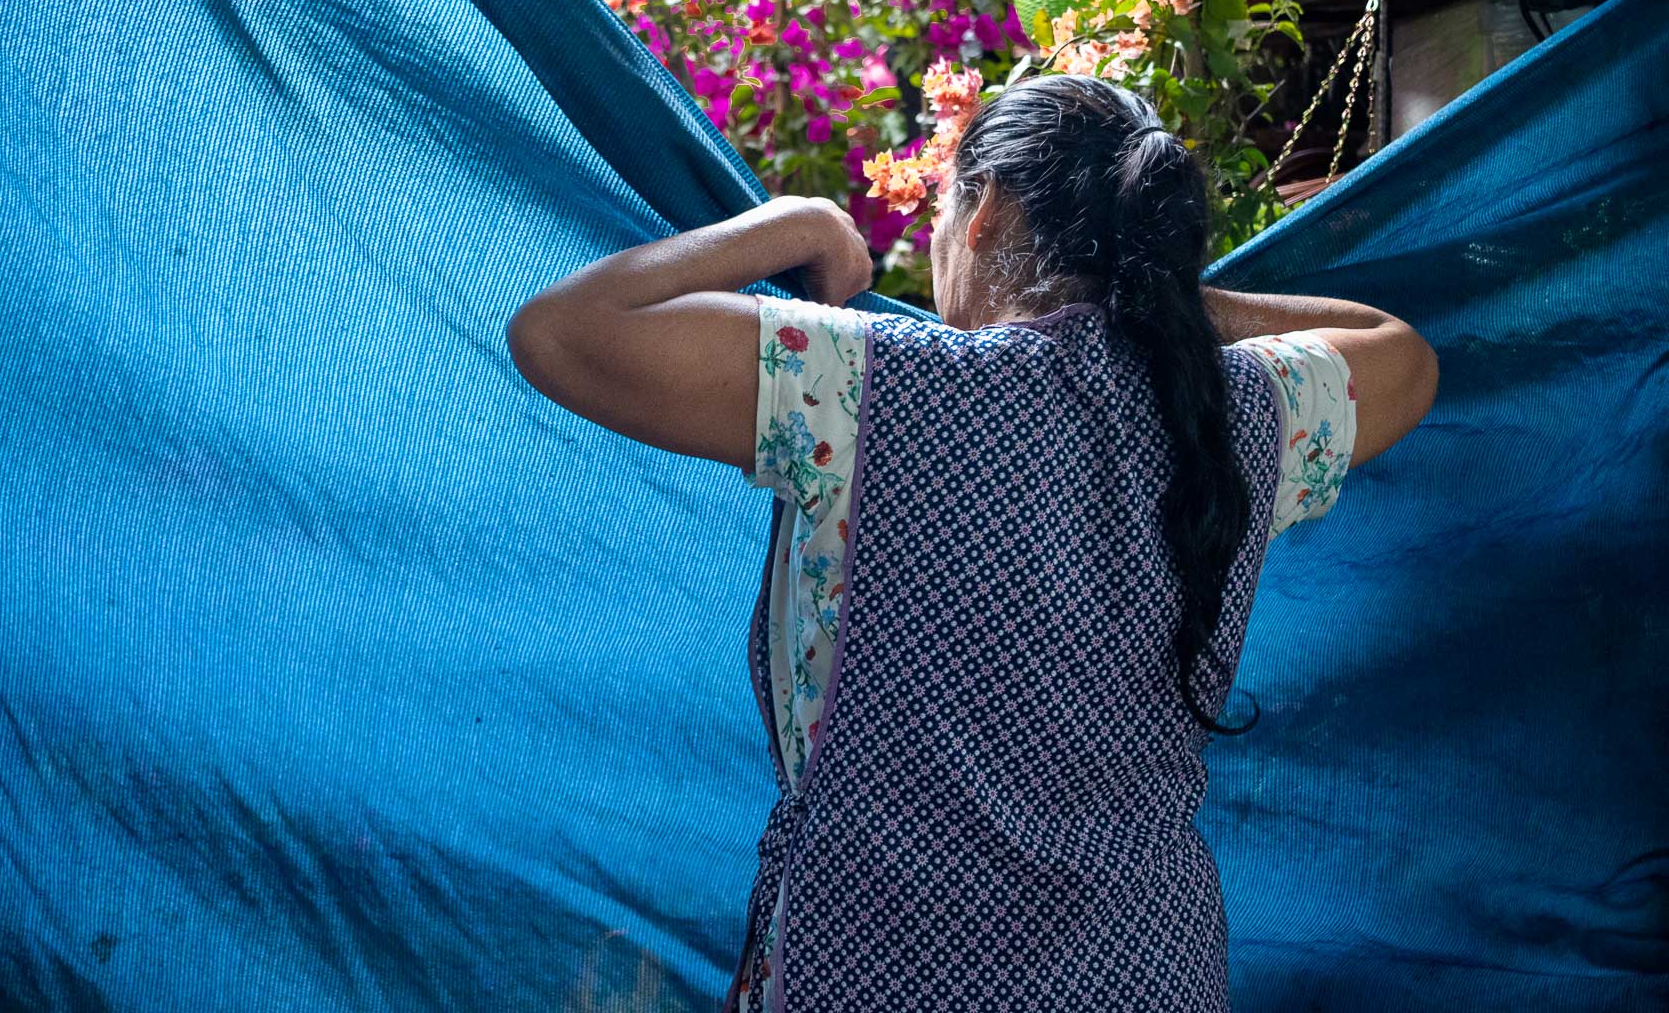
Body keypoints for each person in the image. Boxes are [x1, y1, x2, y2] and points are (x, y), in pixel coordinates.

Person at [505, 74, 1438, 1012]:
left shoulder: (863, 388)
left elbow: (561, 330)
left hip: (880, 969)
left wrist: (796, 226)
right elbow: (1400, 351)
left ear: (984, 209)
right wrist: (1158, 302)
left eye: (946, 209)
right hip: (1151, 972)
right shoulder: (1230, 414)